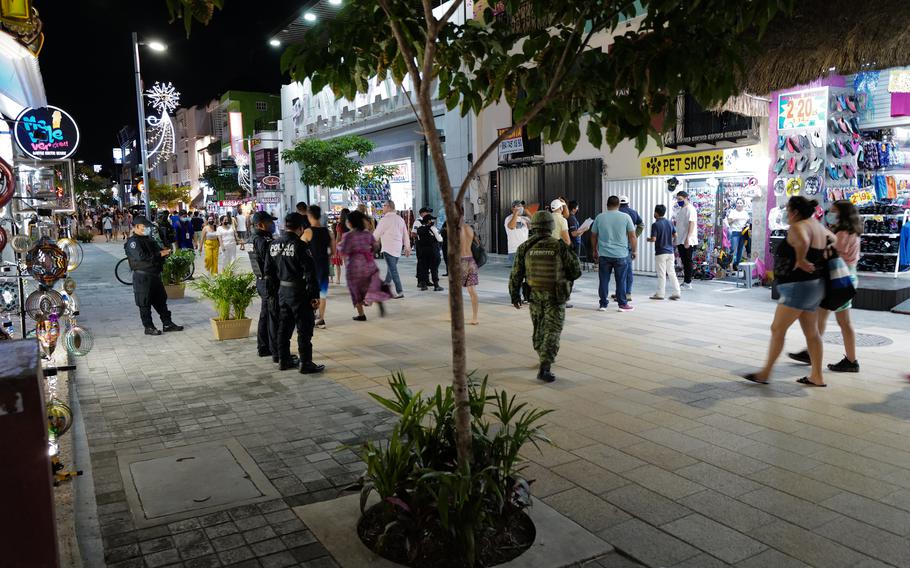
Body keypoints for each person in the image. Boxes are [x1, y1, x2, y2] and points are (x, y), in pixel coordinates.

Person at [744, 196, 828, 387]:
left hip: (797, 286)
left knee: (777, 329)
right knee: (812, 333)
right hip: (813, 285)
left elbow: (802, 241)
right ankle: (817, 376)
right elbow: (832, 241)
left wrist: (800, 259)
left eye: (787, 210)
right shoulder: (818, 226)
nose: (786, 214)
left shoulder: (799, 227)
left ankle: (765, 373)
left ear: (795, 212)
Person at [788, 200, 862, 372]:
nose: (831, 213)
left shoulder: (842, 233)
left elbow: (827, 253)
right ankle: (822, 353)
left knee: (834, 320)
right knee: (831, 318)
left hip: (839, 279)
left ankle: (848, 360)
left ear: (843, 214)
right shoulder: (852, 231)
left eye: (834, 211)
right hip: (845, 277)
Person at [509, 211, 581, 383]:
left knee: (539, 328)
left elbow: (516, 274)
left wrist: (514, 295)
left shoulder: (525, 247)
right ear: (551, 226)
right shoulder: (560, 246)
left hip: (534, 296)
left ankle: (542, 355)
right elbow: (576, 271)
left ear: (533, 226)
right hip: (556, 297)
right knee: (553, 330)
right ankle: (545, 367)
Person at [265, 212, 325, 374]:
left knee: (284, 327)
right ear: (300, 228)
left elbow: (268, 271)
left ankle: (283, 360)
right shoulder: (300, 246)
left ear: (285, 226)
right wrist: (314, 296)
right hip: (299, 292)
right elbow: (310, 273)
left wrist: (273, 293)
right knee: (304, 329)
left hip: (282, 292)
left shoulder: (273, 245)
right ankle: (305, 363)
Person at [124, 216, 184, 335]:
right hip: (142, 277)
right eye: (144, 226)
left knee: (161, 300)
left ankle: (167, 323)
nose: (146, 228)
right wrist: (160, 254)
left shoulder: (149, 239)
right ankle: (149, 327)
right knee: (144, 302)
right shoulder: (133, 242)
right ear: (136, 227)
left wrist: (165, 252)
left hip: (155, 275)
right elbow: (142, 257)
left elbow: (159, 251)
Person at [336, 210, 393, 321]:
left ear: (351, 223)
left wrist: (338, 245)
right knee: (372, 286)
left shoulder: (348, 236)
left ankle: (361, 314)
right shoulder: (367, 234)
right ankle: (378, 300)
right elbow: (375, 246)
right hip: (369, 264)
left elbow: (344, 250)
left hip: (354, 267)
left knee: (355, 290)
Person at [591, 195, 637, 312]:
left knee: (603, 280)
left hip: (604, 255)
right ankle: (622, 304)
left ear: (607, 205)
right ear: (619, 205)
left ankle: (603, 304)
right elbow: (632, 235)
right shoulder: (625, 217)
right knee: (621, 280)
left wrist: (594, 250)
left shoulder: (600, 217)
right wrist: (635, 250)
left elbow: (593, 235)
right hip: (621, 255)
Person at [249, 211, 280, 362]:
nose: (272, 224)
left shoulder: (262, 238)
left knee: (266, 314)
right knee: (270, 315)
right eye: (269, 222)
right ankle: (272, 349)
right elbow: (269, 260)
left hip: (265, 281)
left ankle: (264, 347)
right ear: (260, 224)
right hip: (266, 282)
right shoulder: (260, 239)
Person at [303, 205, 335, 329]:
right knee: (322, 293)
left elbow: (299, 247)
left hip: (311, 267)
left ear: (309, 215)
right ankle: (321, 319)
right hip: (324, 266)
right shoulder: (328, 232)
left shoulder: (307, 232)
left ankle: (311, 317)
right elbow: (333, 251)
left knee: (310, 292)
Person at [373, 200, 411, 298]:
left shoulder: (384, 220)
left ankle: (400, 291)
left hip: (388, 248)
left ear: (389, 207)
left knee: (393, 270)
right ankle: (384, 288)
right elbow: (405, 234)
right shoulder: (400, 219)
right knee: (391, 269)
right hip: (398, 248)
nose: (383, 207)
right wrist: (407, 247)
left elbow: (376, 234)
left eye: (384, 205)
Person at [648, 204, 681, 300]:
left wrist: (648, 239)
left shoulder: (655, 224)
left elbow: (654, 239)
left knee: (661, 274)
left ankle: (660, 294)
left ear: (656, 213)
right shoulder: (669, 223)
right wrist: (670, 242)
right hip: (670, 252)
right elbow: (675, 234)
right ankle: (677, 292)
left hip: (661, 252)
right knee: (672, 272)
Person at [618, 196, 644, 300]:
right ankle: (627, 293)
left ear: (619, 203)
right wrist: (634, 235)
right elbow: (641, 225)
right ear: (628, 203)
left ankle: (621, 292)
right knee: (628, 269)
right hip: (628, 243)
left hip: (618, 244)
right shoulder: (633, 212)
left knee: (619, 270)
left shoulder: (617, 212)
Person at [673, 191, 698, 289]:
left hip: (687, 240)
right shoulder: (681, 209)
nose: (678, 201)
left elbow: (692, 223)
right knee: (684, 261)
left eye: (680, 199)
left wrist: (688, 238)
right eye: (677, 199)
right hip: (680, 239)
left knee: (688, 261)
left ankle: (688, 282)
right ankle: (685, 282)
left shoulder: (690, 209)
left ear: (686, 198)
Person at [415, 214, 444, 291]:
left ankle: (424, 285)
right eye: (432, 220)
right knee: (434, 268)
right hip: (433, 251)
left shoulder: (419, 229)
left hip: (423, 252)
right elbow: (440, 239)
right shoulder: (432, 228)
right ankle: (436, 285)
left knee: (424, 268)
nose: (433, 221)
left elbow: (418, 240)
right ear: (428, 221)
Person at [460, 216, 480, 325]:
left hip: (461, 261)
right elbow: (477, 243)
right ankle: (475, 317)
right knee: (472, 291)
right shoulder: (469, 228)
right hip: (471, 261)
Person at [504, 200, 531, 266]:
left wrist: (529, 214)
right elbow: (511, 226)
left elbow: (533, 226)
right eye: (519, 206)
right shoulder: (508, 218)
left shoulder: (525, 219)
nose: (521, 208)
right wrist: (515, 213)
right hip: (514, 251)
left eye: (522, 206)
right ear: (513, 208)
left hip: (525, 250)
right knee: (517, 274)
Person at [726, 198, 750, 269]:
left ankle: (736, 264)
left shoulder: (745, 213)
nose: (739, 204)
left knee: (740, 249)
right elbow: (729, 222)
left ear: (743, 204)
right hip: (735, 232)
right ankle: (728, 263)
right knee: (732, 248)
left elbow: (748, 222)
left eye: (740, 203)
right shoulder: (733, 212)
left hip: (743, 233)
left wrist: (747, 226)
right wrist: (734, 219)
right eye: (738, 203)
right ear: (736, 204)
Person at [332, 208, 350, 285]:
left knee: (337, 263)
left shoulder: (340, 225)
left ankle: (338, 279)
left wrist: (335, 247)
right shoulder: (351, 223)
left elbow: (338, 237)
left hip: (342, 245)